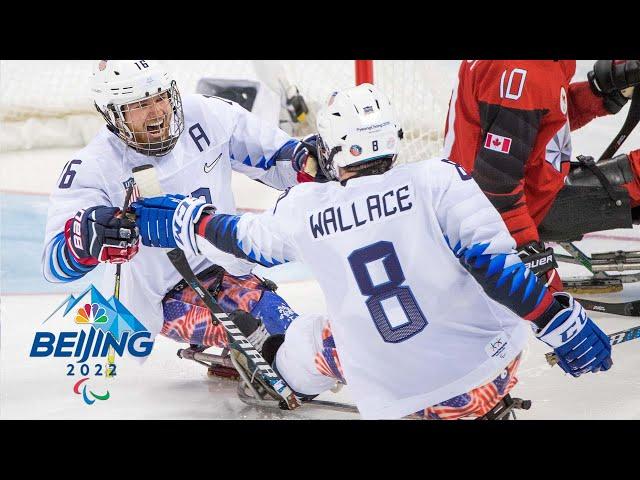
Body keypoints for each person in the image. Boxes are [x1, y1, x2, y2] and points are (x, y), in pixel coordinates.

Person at [132, 83, 613, 419]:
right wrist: (560, 322)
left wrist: (184, 218)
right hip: (491, 378)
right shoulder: (439, 180)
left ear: (335, 148)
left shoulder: (307, 206)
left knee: (309, 337)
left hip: (400, 397)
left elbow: (241, 238)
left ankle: (283, 375)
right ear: (394, 137)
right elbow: (497, 270)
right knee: (488, 269)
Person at [41, 60, 320, 355]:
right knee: (263, 335)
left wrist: (306, 159)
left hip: (223, 267)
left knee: (282, 327)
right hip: (158, 296)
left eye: (161, 96)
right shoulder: (92, 167)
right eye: (141, 103)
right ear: (112, 112)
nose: (157, 111)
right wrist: (83, 243)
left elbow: (276, 155)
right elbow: (52, 265)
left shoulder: (205, 114)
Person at [442, 60, 640, 292]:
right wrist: (540, 277)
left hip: (525, 195)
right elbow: (497, 188)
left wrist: (598, 92)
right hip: (517, 212)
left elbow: (544, 118)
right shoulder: (519, 71)